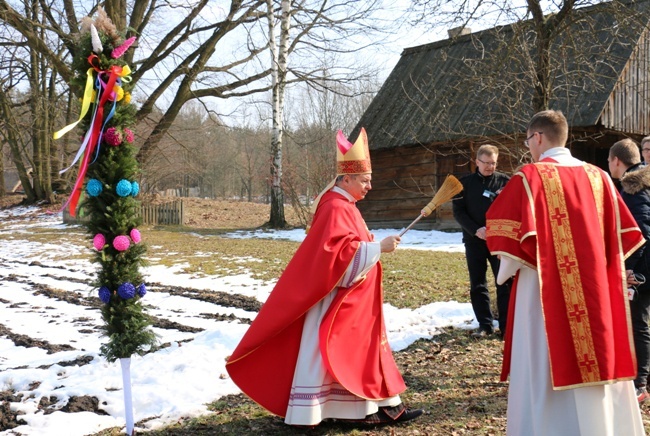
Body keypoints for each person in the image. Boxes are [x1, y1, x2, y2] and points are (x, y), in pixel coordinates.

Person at [226, 128, 423, 427]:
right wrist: (377, 248)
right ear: (347, 179)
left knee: (360, 353)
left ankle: (379, 408)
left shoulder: (346, 205)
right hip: (335, 301)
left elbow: (349, 244)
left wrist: (373, 246)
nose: (370, 186)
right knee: (335, 354)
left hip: (353, 299)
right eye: (365, 180)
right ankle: (342, 411)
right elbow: (336, 255)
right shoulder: (335, 207)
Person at [486, 109, 646, 435]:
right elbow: (622, 236)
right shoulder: (600, 177)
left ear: (539, 138)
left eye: (529, 140)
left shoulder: (528, 177)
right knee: (600, 354)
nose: (529, 146)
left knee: (544, 361)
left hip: (545, 291)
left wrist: (506, 270)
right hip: (598, 292)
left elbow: (504, 238)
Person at [452, 144, 511, 338]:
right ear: (477, 162)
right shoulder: (463, 184)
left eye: (493, 163)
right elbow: (458, 212)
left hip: (498, 242)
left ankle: (506, 327)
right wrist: (476, 230)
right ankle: (485, 325)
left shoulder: (506, 182)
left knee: (503, 282)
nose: (489, 167)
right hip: (474, 240)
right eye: (486, 163)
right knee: (478, 283)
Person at [608, 138, 650, 404]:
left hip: (643, 269)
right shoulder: (642, 182)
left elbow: (641, 232)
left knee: (638, 324)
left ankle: (640, 384)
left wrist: (631, 271)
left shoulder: (633, 188)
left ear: (616, 161)